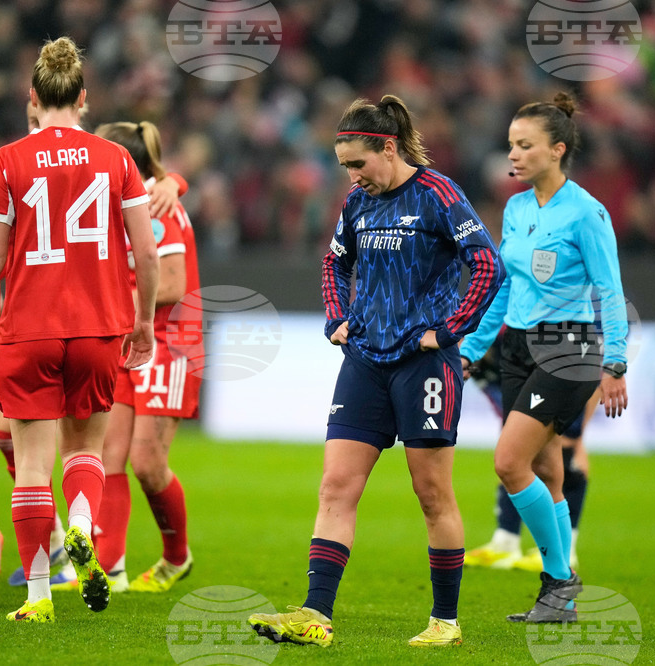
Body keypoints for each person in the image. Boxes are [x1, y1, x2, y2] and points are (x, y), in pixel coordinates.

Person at [248, 95, 504, 648]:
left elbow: (487, 263)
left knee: (432, 493)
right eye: (344, 166)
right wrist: (338, 316)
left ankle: (445, 622)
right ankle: (316, 616)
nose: (351, 175)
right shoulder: (358, 204)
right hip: (365, 360)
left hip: (424, 366)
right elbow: (334, 261)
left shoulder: (438, 194)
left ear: (386, 148)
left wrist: (450, 330)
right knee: (335, 486)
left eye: (357, 163)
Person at [0, 36, 159, 623]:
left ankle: (39, 594)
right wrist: (141, 323)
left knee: (33, 466)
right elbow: (145, 251)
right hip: (98, 329)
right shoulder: (117, 160)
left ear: (33, 98)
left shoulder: (9, 159)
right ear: (84, 98)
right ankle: (87, 523)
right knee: (86, 449)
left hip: (28, 330)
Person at [459, 93, 629, 623]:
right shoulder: (515, 207)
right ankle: (561, 599)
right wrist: (471, 347)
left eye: (524, 145)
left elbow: (611, 290)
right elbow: (506, 288)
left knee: (509, 462)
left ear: (556, 150)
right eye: (511, 144)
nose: (512, 154)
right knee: (545, 469)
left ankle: (560, 577)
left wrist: (616, 363)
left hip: (570, 350)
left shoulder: (586, 212)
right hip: (518, 347)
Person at [74, 120, 202, 594]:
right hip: (129, 341)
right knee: (110, 456)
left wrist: (109, 308)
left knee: (147, 462)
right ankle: (112, 568)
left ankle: (176, 556)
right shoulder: (129, 199)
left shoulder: (156, 206)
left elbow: (172, 284)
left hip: (168, 343)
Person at [463, 331, 599, 571]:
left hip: (567, 374)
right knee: (513, 461)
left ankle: (566, 551)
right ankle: (506, 541)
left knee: (566, 461)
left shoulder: (512, 340)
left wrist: (579, 435)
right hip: (536, 393)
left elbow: (592, 379)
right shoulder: (478, 364)